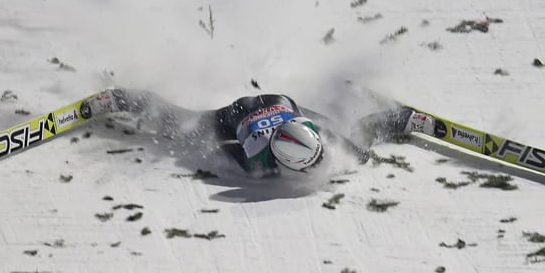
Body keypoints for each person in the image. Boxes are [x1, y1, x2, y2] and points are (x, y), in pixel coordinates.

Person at [82, 88, 435, 177]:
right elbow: (221, 146)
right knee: (179, 124)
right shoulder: (258, 161)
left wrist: (360, 153)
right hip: (236, 115)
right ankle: (120, 98)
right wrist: (198, 147)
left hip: (283, 104)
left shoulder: (310, 134)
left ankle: (399, 118)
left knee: (355, 136)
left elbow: (345, 144)